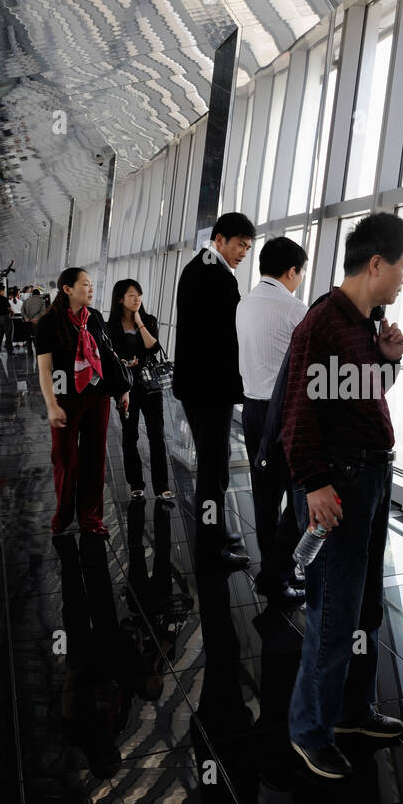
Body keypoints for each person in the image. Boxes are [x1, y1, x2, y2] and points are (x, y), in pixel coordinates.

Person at [281, 212, 403, 779]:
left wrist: (388, 360)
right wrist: (314, 483)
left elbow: (364, 397)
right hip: (338, 485)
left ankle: (353, 711)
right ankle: (310, 729)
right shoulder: (321, 323)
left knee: (364, 608)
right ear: (376, 264)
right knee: (333, 612)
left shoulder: (364, 322)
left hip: (371, 480)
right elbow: (296, 415)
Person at [172, 211, 256, 568]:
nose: (243, 252)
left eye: (248, 248)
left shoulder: (195, 268)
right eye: (240, 244)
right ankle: (211, 546)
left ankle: (216, 533)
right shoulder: (217, 276)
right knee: (212, 471)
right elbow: (228, 337)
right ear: (220, 239)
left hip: (195, 386)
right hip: (211, 390)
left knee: (211, 467)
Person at [235, 236, 308, 605]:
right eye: (300, 273)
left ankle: (273, 569)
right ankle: (278, 572)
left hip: (252, 411)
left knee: (265, 496)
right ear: (292, 271)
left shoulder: (243, 304)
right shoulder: (296, 309)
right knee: (299, 500)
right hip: (285, 414)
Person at [37, 267, 130, 537]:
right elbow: (44, 369)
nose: (91, 289)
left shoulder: (96, 318)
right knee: (65, 460)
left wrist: (122, 389)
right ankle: (63, 515)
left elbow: (109, 357)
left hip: (97, 396)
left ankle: (91, 518)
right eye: (86, 284)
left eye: (92, 285)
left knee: (94, 458)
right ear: (67, 289)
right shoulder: (49, 323)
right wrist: (51, 404)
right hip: (65, 396)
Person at [106, 279, 173, 503]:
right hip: (125, 387)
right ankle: (136, 484)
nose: (137, 299)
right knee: (129, 435)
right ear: (120, 299)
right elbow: (109, 356)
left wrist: (139, 322)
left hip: (150, 386)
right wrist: (124, 363)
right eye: (132, 295)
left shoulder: (149, 320)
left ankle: (161, 485)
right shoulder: (110, 327)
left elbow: (153, 347)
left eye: (139, 295)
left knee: (157, 434)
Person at [22, 286, 47, 357]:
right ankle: (37, 353)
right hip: (36, 323)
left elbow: (22, 311)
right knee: (36, 338)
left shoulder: (26, 300)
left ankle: (30, 353)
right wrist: (36, 318)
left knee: (28, 338)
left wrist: (26, 318)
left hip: (27, 322)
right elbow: (43, 312)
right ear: (38, 294)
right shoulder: (41, 301)